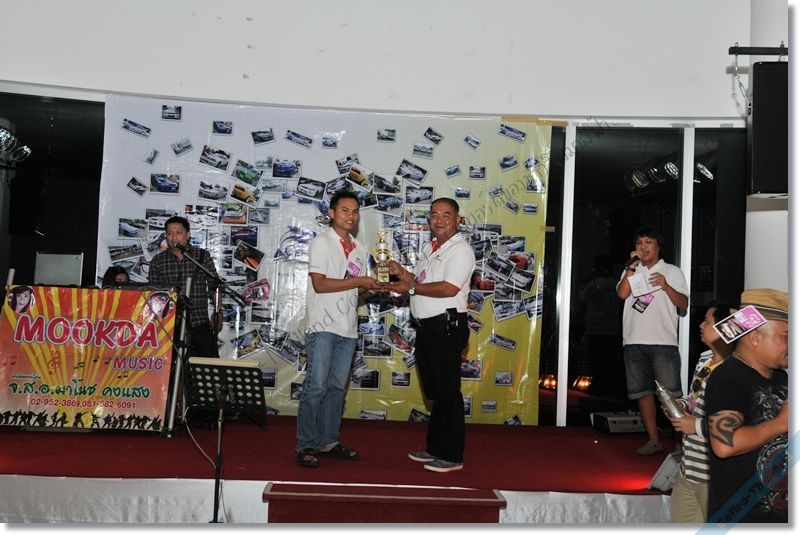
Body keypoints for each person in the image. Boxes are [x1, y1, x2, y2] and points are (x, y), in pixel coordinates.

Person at [295, 191, 384, 468]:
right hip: (322, 325)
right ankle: (306, 444)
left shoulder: (359, 248)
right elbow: (320, 284)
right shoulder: (321, 242)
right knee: (316, 387)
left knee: (336, 388)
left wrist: (375, 287)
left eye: (355, 211)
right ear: (331, 213)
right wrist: (359, 281)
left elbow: (354, 292)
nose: (351, 215)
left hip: (348, 327)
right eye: (345, 210)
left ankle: (328, 441)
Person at [387, 197, 476, 473]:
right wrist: (402, 273)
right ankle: (436, 448)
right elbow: (420, 282)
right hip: (427, 327)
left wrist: (411, 288)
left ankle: (452, 455)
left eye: (446, 215)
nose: (439, 220)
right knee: (437, 392)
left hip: (446, 326)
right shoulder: (431, 247)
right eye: (435, 214)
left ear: (458, 219)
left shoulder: (461, 250)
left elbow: (448, 288)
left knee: (448, 392)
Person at [705, 289, 788, 524]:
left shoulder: (782, 378)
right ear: (755, 337)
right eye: (786, 336)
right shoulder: (728, 378)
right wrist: (781, 423)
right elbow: (724, 445)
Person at [616, 226, 689, 455]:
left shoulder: (672, 271)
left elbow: (683, 304)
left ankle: (680, 446)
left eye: (648, 242)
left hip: (663, 342)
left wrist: (666, 286)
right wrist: (631, 268)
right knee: (642, 393)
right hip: (633, 340)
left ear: (658, 246)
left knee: (671, 396)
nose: (643, 247)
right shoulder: (631, 270)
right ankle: (654, 440)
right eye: (639, 242)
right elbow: (622, 294)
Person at [667, 301, 736, 523]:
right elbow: (695, 398)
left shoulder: (735, 370)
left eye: (707, 321)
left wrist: (694, 425)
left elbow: (737, 425)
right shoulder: (705, 358)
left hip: (712, 474)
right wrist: (681, 404)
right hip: (688, 467)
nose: (701, 325)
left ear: (724, 328)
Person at [148, 216, 221, 358]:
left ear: (188, 235)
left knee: (206, 366)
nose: (173, 237)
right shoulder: (158, 261)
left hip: (199, 322)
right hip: (169, 326)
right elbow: (152, 294)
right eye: (169, 233)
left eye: (178, 233)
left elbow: (215, 286)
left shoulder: (201, 256)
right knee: (171, 368)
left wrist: (218, 312)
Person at [579, 253, 624, 398]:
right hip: (613, 330)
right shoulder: (616, 284)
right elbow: (622, 304)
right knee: (610, 363)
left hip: (596, 330)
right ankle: (610, 390)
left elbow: (581, 300)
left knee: (597, 363)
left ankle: (598, 390)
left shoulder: (592, 285)